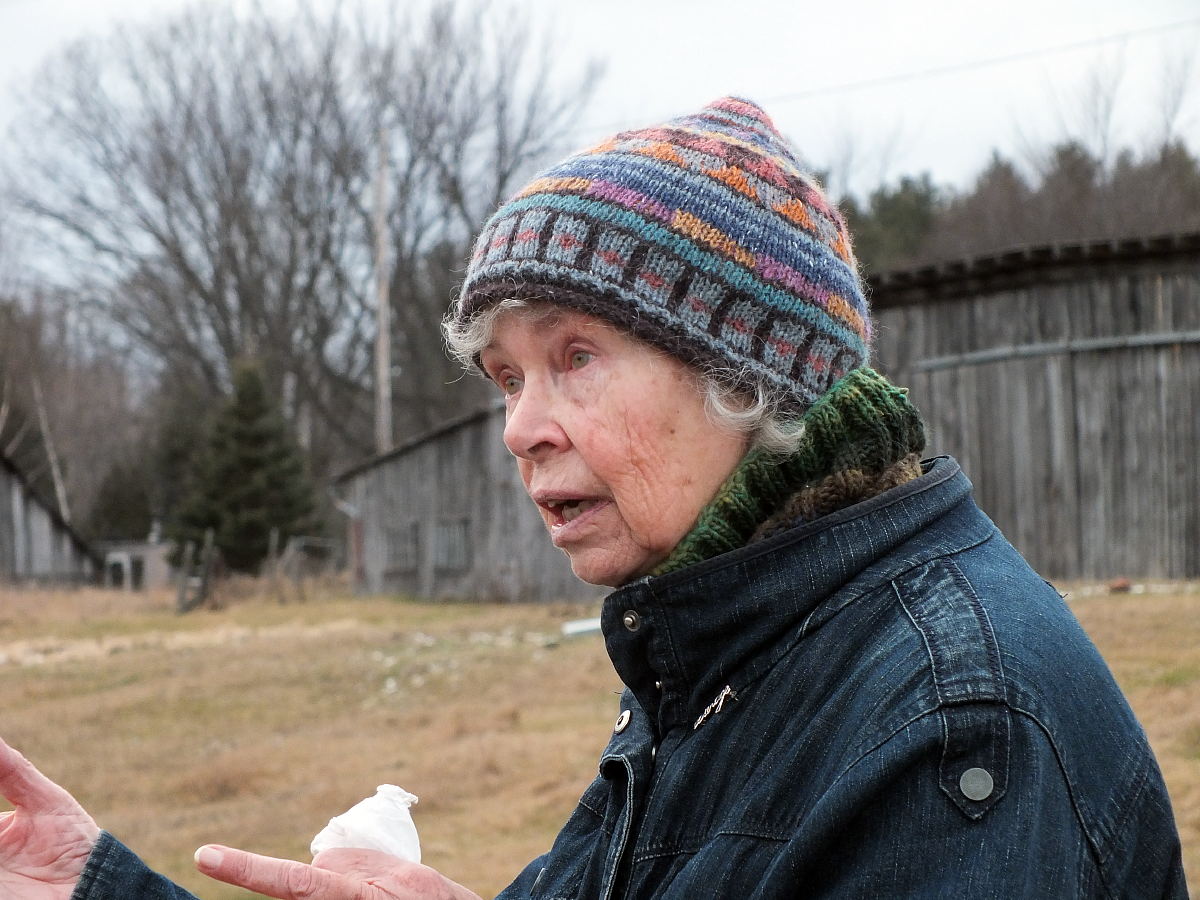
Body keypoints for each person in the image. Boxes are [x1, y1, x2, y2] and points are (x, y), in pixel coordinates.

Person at [0, 97, 1187, 899]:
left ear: (748, 375)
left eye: (575, 359)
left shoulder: (956, 730)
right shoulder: (726, 650)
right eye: (508, 378)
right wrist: (98, 884)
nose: (522, 428)